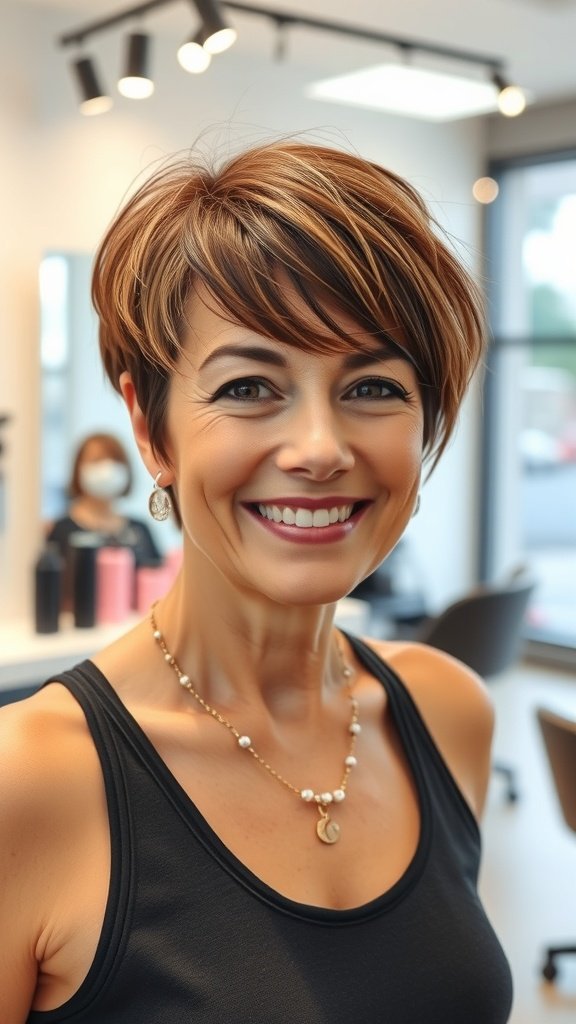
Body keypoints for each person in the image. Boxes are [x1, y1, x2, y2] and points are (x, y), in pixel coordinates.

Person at [0, 140, 513, 1023]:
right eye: (247, 387)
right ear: (150, 429)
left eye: (373, 388)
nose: (320, 449)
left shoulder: (447, 711)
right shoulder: (29, 783)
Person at [46, 431, 162, 607]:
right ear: (78, 469)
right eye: (96, 461)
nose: (107, 469)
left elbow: (159, 582)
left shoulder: (140, 529)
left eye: (115, 461)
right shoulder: (61, 530)